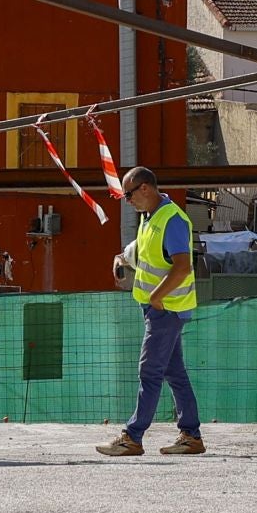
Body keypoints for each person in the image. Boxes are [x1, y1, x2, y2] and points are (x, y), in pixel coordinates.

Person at [97, 166, 204, 457]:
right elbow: (143, 252)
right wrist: (121, 258)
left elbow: (183, 266)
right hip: (161, 309)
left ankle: (133, 436)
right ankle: (191, 435)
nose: (127, 201)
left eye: (128, 195)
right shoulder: (151, 218)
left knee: (149, 370)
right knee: (174, 372)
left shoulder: (172, 220)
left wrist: (157, 297)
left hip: (166, 310)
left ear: (145, 188)